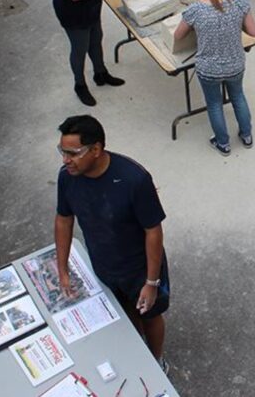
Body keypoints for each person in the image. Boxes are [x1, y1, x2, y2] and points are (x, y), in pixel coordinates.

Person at [54, 116, 171, 371]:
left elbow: (153, 231)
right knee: (125, 313)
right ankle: (136, 348)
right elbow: (64, 220)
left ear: (96, 150)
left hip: (140, 270)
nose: (65, 160)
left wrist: (151, 283)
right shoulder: (67, 177)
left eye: (73, 153)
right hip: (104, 266)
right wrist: (62, 269)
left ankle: (157, 362)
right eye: (62, 152)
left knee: (149, 316)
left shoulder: (134, 180)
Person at [173, 0, 255, 156]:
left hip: (209, 69)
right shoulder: (238, 1)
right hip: (235, 63)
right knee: (238, 96)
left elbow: (178, 36)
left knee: (214, 104)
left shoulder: (195, 10)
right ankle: (246, 136)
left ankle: (223, 143)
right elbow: (253, 32)